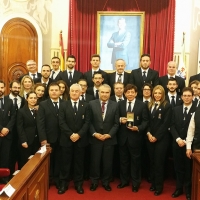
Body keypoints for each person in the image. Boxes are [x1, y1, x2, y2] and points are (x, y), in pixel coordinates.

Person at [58, 84, 90, 195]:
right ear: (69, 92)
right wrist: (71, 134)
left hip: (81, 140)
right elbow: (61, 122)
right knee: (65, 163)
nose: (74, 93)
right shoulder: (63, 105)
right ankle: (63, 184)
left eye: (77, 91)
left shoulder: (86, 105)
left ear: (81, 92)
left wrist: (79, 134)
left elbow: (87, 122)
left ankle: (78, 184)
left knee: (79, 163)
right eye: (72, 91)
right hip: (67, 139)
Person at [117, 84, 148, 192]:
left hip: (136, 138)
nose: (130, 94)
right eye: (128, 92)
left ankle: (135, 183)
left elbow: (145, 121)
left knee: (135, 161)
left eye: (132, 92)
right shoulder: (120, 104)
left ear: (136, 93)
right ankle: (124, 181)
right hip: (122, 137)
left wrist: (138, 128)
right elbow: (115, 118)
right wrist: (120, 120)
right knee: (123, 161)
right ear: (124, 93)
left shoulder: (142, 105)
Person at [89, 84, 119, 192]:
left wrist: (109, 134)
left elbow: (116, 123)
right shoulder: (91, 104)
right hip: (95, 138)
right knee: (95, 162)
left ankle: (106, 182)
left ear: (110, 93)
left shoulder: (115, 105)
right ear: (98, 93)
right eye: (102, 92)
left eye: (107, 92)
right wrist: (94, 133)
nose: (104, 94)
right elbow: (89, 122)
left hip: (109, 139)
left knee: (108, 162)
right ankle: (94, 182)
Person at [146, 85, 172, 196]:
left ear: (163, 94)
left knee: (159, 163)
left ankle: (159, 186)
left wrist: (156, 136)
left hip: (161, 139)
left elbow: (165, 124)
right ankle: (153, 183)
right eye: (155, 93)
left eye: (159, 93)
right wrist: (148, 133)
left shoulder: (167, 106)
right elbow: (146, 121)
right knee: (152, 162)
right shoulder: (149, 105)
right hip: (149, 137)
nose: (157, 95)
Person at [37, 83, 63, 188]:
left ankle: (57, 179)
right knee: (48, 161)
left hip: (62, 138)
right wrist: (43, 139)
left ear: (60, 91)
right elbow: (40, 123)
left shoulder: (65, 103)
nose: (54, 92)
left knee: (60, 160)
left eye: (56, 90)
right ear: (48, 91)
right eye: (52, 90)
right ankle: (48, 179)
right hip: (48, 138)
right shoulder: (43, 104)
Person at [171, 87, 195, 200]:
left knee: (189, 169)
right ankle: (179, 188)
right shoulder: (175, 109)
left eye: (189, 96)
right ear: (181, 97)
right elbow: (172, 126)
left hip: (190, 146)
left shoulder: (197, 110)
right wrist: (178, 139)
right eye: (184, 95)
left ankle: (189, 191)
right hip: (177, 144)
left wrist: (186, 141)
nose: (186, 97)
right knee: (178, 167)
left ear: (193, 97)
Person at [7, 81, 25, 176]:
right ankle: (8, 176)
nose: (17, 90)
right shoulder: (4, 99)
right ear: (10, 88)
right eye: (15, 88)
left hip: (20, 133)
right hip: (8, 132)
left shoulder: (23, 100)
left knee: (20, 155)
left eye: (18, 88)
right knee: (9, 156)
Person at [17, 92, 40, 168]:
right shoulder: (21, 111)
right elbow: (20, 127)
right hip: (26, 141)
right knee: (24, 163)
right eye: (31, 98)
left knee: (36, 162)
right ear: (27, 99)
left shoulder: (39, 111)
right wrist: (23, 140)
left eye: (35, 98)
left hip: (37, 141)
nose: (33, 100)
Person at [0, 80, 16, 183]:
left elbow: (14, 117)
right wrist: (1, 128)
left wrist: (7, 129)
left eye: (1, 88)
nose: (0, 90)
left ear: (5, 88)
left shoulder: (9, 101)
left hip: (7, 135)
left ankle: (4, 179)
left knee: (5, 158)